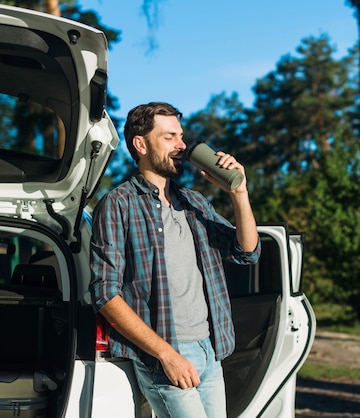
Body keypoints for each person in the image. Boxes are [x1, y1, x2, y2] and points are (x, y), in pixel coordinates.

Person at [89, 102, 260, 418]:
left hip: (210, 349)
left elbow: (246, 252)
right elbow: (105, 295)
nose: (182, 146)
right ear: (141, 144)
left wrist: (240, 193)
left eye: (181, 137)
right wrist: (167, 355)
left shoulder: (194, 202)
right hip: (164, 355)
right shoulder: (118, 205)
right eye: (170, 137)